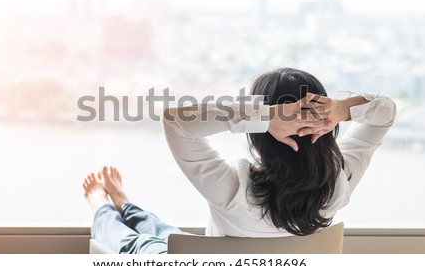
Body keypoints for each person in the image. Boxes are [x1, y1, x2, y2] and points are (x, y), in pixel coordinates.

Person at [83, 67, 396, 253]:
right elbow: (385, 113)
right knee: (167, 234)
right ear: (328, 127)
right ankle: (125, 203)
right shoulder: (341, 183)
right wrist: (343, 108)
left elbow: (176, 120)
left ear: (259, 133)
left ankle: (102, 205)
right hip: (214, 259)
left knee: (137, 245)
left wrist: (264, 116)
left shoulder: (233, 189)